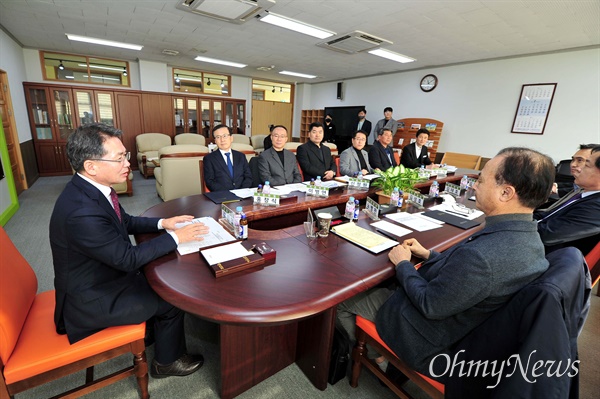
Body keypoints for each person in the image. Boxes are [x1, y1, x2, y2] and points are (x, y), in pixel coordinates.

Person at [337, 147, 555, 376]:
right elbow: (467, 278)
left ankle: (375, 355)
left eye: (481, 180)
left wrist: (403, 264)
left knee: (343, 302)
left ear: (506, 193)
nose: (474, 185)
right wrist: (428, 254)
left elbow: (430, 304)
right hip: (460, 322)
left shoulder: (483, 257)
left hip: (425, 335)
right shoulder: (529, 239)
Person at [50, 123, 208, 378]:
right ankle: (167, 362)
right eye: (119, 158)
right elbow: (127, 260)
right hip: (92, 297)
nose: (127, 163)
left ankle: (151, 333)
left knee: (161, 277)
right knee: (171, 298)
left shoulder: (92, 189)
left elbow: (125, 221)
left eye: (126, 155)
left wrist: (162, 223)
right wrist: (176, 237)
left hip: (102, 276)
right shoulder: (81, 211)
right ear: (91, 166)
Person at [535, 145, 600, 255]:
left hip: (547, 257)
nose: (578, 168)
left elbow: (547, 235)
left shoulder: (596, 207)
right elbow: (547, 215)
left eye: (586, 165)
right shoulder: (584, 193)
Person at [203, 124, 252, 191]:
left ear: (231, 138)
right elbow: (210, 182)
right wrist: (228, 193)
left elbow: (248, 177)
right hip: (223, 196)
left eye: (225, 136)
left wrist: (242, 191)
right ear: (215, 141)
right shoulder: (209, 159)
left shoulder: (240, 156)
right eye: (218, 137)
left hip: (242, 194)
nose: (222, 140)